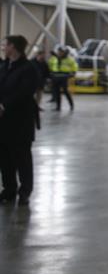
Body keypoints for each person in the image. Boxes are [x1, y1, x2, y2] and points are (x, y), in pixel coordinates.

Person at [0, 35, 42, 206]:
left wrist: (4, 105)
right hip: (3, 121)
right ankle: (9, 190)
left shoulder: (28, 68)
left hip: (20, 120)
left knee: (22, 157)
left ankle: (25, 191)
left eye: (4, 44)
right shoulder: (4, 66)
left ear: (13, 47)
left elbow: (25, 92)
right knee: (4, 157)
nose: (2, 47)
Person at [48, 47, 76, 112]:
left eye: (61, 52)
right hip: (56, 76)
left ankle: (71, 105)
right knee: (57, 92)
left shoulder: (69, 59)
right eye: (59, 52)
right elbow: (50, 65)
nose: (60, 53)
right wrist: (50, 73)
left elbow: (74, 65)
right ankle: (58, 107)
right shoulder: (54, 58)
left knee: (66, 91)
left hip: (64, 76)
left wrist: (73, 72)